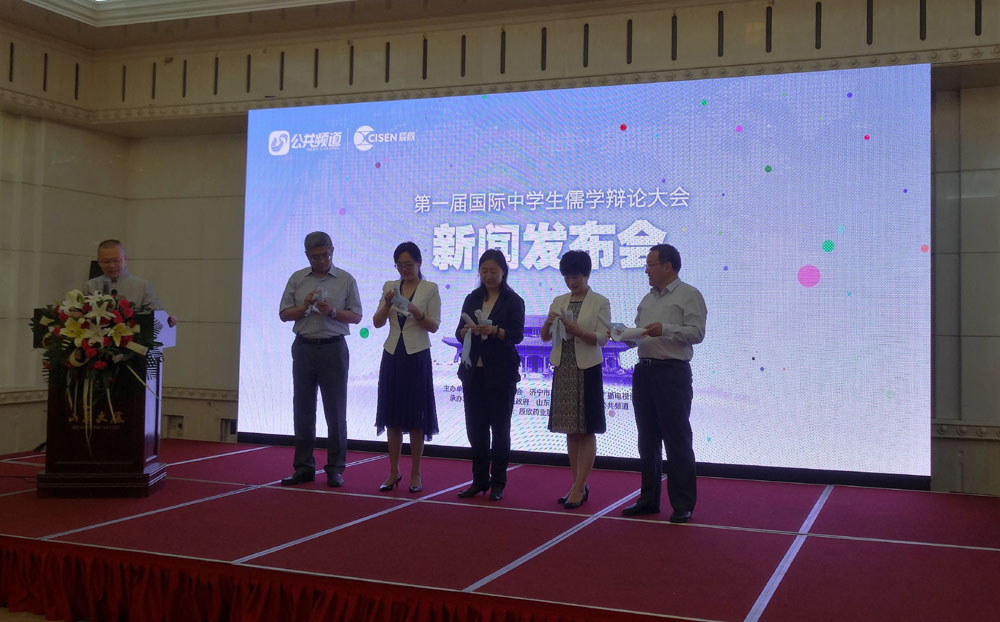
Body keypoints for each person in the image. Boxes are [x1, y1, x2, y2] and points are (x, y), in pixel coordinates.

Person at [621, 244, 706, 523]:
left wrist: (665, 329)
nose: (646, 270)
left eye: (650, 265)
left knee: (676, 438)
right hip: (644, 372)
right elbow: (641, 333)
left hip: (672, 373)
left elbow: (697, 333)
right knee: (647, 438)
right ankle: (648, 499)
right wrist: (624, 336)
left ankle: (682, 503)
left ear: (667, 266)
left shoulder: (689, 295)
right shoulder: (647, 299)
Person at [278, 231, 362, 487]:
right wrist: (304, 307)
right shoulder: (297, 279)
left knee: (335, 411)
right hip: (304, 347)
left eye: (326, 255)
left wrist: (333, 312)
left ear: (332, 251)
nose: (322, 260)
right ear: (307, 256)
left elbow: (356, 316)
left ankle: (335, 468)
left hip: (333, 348)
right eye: (316, 257)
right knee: (303, 409)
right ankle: (304, 467)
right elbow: (284, 314)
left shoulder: (345, 279)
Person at [540, 250, 611, 510]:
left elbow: (603, 338)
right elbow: (545, 337)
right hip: (564, 368)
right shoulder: (559, 301)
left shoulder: (600, 301)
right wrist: (548, 323)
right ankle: (576, 484)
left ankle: (580, 487)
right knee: (570, 429)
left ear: (587, 274)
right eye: (567, 277)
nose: (571, 282)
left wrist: (577, 330)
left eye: (576, 277)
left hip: (587, 368)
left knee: (586, 429)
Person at [455, 249, 525, 501]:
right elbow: (458, 332)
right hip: (473, 373)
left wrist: (495, 330)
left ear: (503, 272)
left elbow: (517, 335)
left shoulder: (513, 300)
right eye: (484, 271)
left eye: (493, 271)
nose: (488, 276)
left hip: (501, 374)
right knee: (476, 430)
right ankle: (479, 480)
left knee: (500, 430)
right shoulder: (472, 298)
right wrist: (466, 331)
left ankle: (498, 482)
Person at [372, 242, 441, 494]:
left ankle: (415, 472)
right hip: (392, 354)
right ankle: (393, 471)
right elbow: (377, 322)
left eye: (409, 264)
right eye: (400, 265)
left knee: (416, 418)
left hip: (417, 356)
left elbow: (434, 326)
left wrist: (416, 311)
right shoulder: (389, 287)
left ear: (419, 263)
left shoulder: (430, 288)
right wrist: (387, 304)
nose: (405, 269)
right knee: (391, 416)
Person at [84, 239, 176, 327]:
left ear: (125, 259)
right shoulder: (90, 286)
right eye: (106, 261)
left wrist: (168, 320)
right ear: (99, 262)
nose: (111, 265)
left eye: (116, 260)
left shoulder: (142, 286)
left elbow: (157, 315)